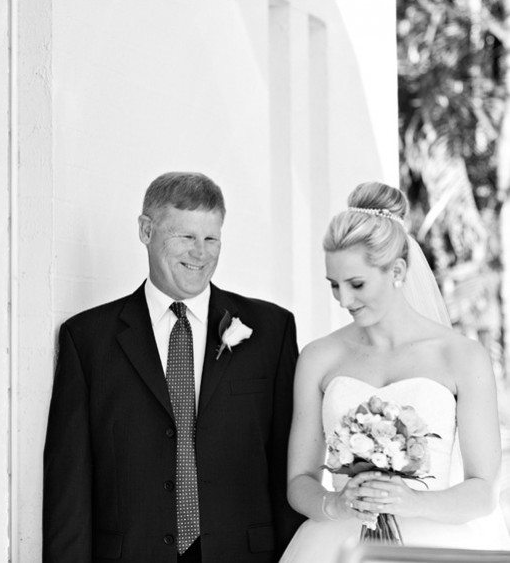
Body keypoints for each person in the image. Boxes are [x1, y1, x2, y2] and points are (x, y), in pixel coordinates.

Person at [43, 172, 305, 563]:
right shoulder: (87, 340)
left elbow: (288, 466)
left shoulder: (271, 331)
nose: (200, 253)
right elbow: (69, 487)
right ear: (146, 230)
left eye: (211, 238)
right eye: (186, 237)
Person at [280, 181, 510, 563]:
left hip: (436, 545)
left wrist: (412, 501)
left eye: (356, 284)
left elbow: (482, 492)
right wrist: (335, 503)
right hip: (335, 546)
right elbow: (299, 481)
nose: (344, 300)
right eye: (334, 285)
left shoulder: (463, 357)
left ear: (398, 270)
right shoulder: (318, 358)